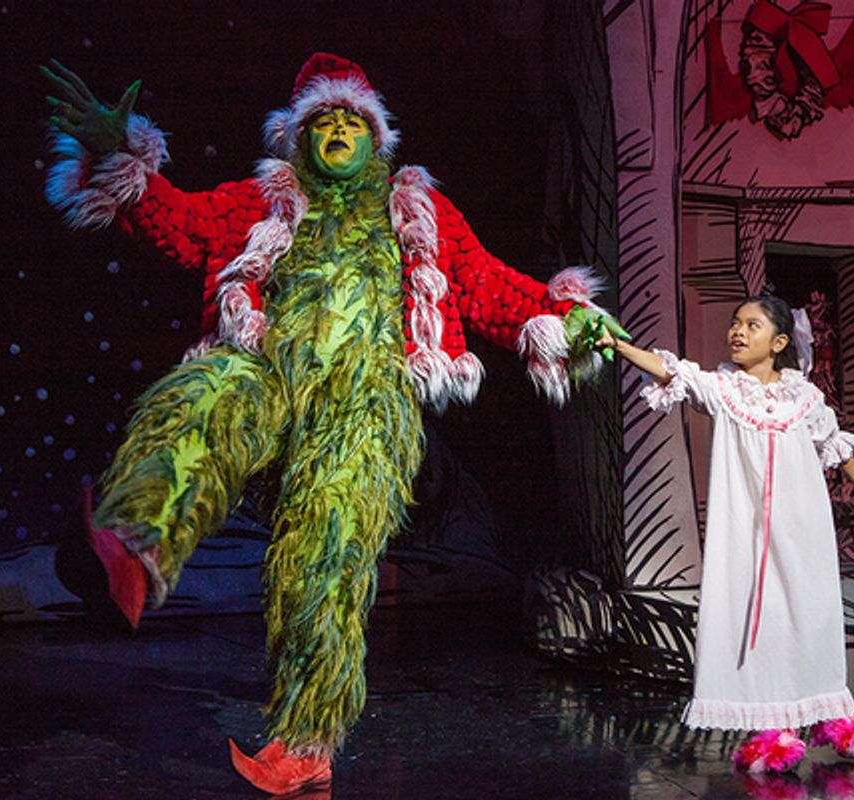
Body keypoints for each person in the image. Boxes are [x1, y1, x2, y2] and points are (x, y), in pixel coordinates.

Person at [41, 53, 623, 794]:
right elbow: (177, 222)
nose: (340, 129)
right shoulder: (260, 202)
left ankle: (307, 743)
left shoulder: (417, 213)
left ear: (375, 137)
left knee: (325, 557)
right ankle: (134, 544)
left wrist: (566, 319)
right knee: (204, 394)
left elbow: (487, 287)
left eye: (353, 119)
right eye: (325, 120)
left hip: (363, 409)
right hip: (269, 372)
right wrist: (116, 154)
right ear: (299, 135)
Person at [597, 293, 854, 773]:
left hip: (803, 527)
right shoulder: (725, 390)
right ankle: (771, 725)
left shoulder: (804, 398)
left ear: (779, 342)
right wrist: (619, 346)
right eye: (735, 323)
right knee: (759, 620)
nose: (738, 331)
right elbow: (672, 373)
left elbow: (832, 442)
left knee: (812, 615)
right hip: (747, 531)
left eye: (752, 325)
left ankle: (831, 711)